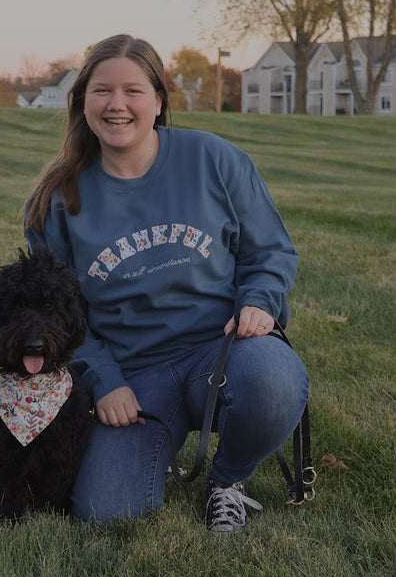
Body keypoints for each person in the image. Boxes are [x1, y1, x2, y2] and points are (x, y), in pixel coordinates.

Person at [24, 34, 309, 533]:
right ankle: (159, 446)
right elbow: (52, 313)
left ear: (158, 100)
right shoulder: (58, 199)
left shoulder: (214, 160)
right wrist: (104, 382)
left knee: (273, 379)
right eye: (102, 91)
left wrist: (259, 300)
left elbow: (269, 250)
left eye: (133, 91)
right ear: (82, 102)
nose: (117, 105)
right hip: (135, 376)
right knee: (106, 511)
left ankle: (227, 481)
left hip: (220, 350)